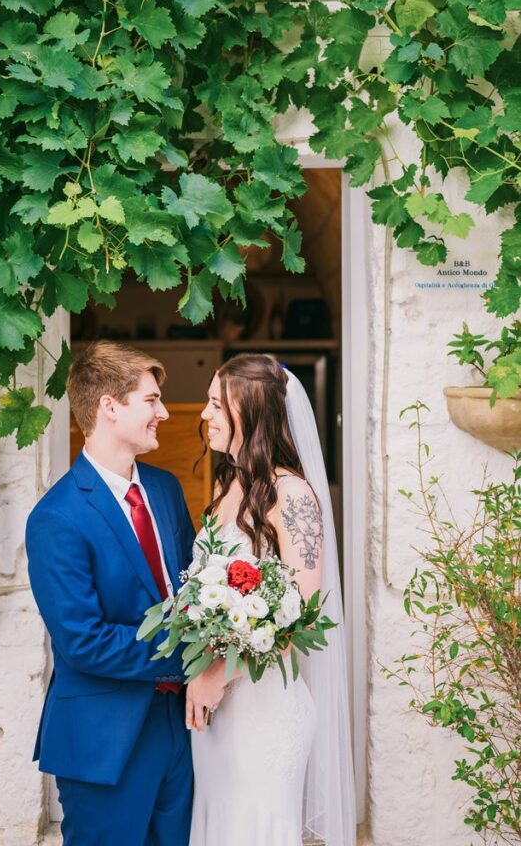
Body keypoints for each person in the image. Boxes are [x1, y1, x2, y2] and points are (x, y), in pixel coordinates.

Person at [25, 341, 197, 846]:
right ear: (109, 407)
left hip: (180, 729)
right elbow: (84, 641)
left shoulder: (165, 490)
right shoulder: (56, 517)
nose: (164, 413)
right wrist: (187, 654)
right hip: (104, 740)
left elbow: (190, 590)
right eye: (151, 400)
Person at [187, 353, 356, 846]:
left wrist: (218, 675)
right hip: (217, 714)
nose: (204, 414)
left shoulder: (293, 494)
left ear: (251, 411)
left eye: (216, 404)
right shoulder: (227, 484)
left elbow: (300, 618)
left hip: (266, 713)